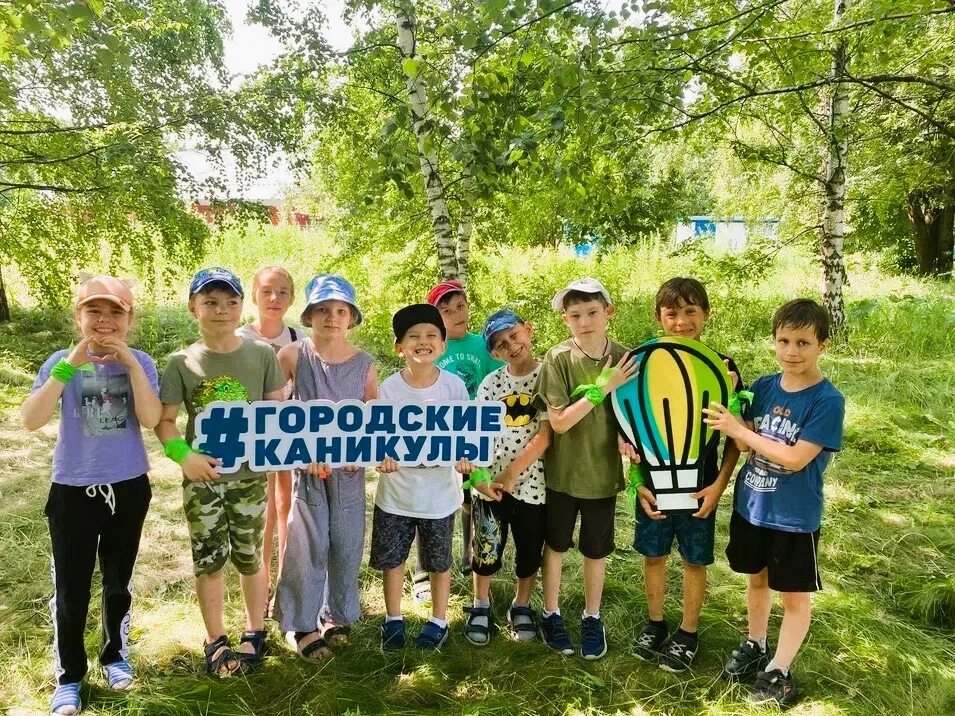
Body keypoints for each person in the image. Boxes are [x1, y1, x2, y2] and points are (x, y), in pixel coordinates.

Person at [22, 275, 161, 715]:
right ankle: (69, 676)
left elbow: (151, 416)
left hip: (128, 486)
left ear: (129, 319)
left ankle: (115, 656)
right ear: (78, 316)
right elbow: (31, 419)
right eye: (93, 311)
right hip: (72, 490)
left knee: (118, 582)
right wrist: (70, 364)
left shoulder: (140, 362)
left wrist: (133, 367)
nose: (104, 321)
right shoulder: (61, 362)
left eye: (115, 312)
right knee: (71, 588)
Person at [703, 298, 845, 707]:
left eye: (803, 343)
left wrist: (739, 431)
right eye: (784, 341)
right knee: (757, 579)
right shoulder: (764, 386)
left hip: (793, 518)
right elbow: (747, 432)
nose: (791, 352)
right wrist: (731, 399)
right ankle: (756, 643)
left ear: (823, 346)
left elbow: (796, 457)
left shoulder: (826, 401)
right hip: (753, 507)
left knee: (795, 597)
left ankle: (779, 671)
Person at [156, 267, 285, 678]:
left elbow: (277, 414)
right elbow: (165, 421)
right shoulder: (181, 362)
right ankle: (215, 639)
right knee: (209, 561)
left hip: (249, 479)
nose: (221, 310)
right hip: (204, 482)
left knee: (250, 557)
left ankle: (255, 630)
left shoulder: (262, 355)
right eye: (210, 301)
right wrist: (184, 456)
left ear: (241, 306)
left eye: (230, 301)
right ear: (193, 306)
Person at [626, 277, 743, 673]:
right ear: (658, 316)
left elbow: (736, 438)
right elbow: (628, 431)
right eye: (671, 313)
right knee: (654, 556)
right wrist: (638, 485)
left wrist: (718, 486)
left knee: (695, 561)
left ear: (705, 315)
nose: (680, 322)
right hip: (654, 491)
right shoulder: (641, 364)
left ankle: (689, 632)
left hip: (700, 489)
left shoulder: (722, 366)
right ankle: (656, 624)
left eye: (690, 312)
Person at [272, 275, 376, 660]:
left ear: (351, 317)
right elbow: (273, 411)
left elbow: (373, 420)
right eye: (322, 310)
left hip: (349, 472)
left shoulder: (365, 365)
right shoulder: (293, 355)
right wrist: (299, 448)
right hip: (308, 469)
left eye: (340, 310)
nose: (331, 317)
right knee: (306, 543)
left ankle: (338, 614)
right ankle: (301, 623)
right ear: (310, 314)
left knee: (347, 542)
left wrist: (360, 451)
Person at [533, 278, 635, 659]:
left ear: (608, 312)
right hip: (563, 473)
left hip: (604, 475)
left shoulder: (626, 358)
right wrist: (601, 388)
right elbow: (559, 423)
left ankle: (593, 617)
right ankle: (551, 612)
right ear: (565, 320)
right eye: (575, 315)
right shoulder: (558, 358)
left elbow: (636, 415)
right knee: (556, 545)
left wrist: (631, 439)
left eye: (592, 313)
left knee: (596, 550)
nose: (585, 321)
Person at [371, 303, 471, 652]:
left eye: (431, 335)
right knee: (393, 559)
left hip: (440, 495)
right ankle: (393, 618)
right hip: (395, 494)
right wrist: (379, 459)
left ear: (443, 345)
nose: (423, 341)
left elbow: (467, 437)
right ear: (400, 346)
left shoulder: (455, 387)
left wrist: (466, 460)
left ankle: (438, 619)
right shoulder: (388, 389)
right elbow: (376, 439)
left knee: (439, 561)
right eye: (413, 336)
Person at [462, 309, 551, 646]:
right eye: (501, 344)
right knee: (486, 545)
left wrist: (514, 473)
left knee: (530, 547)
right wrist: (480, 478)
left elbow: (547, 434)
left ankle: (522, 603)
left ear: (528, 331)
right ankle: (480, 603)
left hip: (534, 481)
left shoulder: (548, 375)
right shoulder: (491, 383)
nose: (511, 345)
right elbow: (476, 434)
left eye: (514, 335)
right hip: (490, 481)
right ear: (494, 353)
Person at [416, 280, 504, 589]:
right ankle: (423, 566)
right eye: (446, 309)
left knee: (471, 495)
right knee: (429, 496)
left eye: (461, 307)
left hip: (474, 432)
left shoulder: (482, 344)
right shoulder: (433, 346)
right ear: (436, 316)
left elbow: (496, 383)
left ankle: (469, 552)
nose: (456, 314)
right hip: (438, 432)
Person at [236, 266, 302, 612]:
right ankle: (258, 586)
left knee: (285, 506)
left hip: (289, 435)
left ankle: (285, 585)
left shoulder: (298, 338)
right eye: (266, 291)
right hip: (252, 436)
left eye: (282, 292)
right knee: (260, 512)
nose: (274, 298)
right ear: (254, 295)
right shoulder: (241, 338)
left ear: (292, 298)